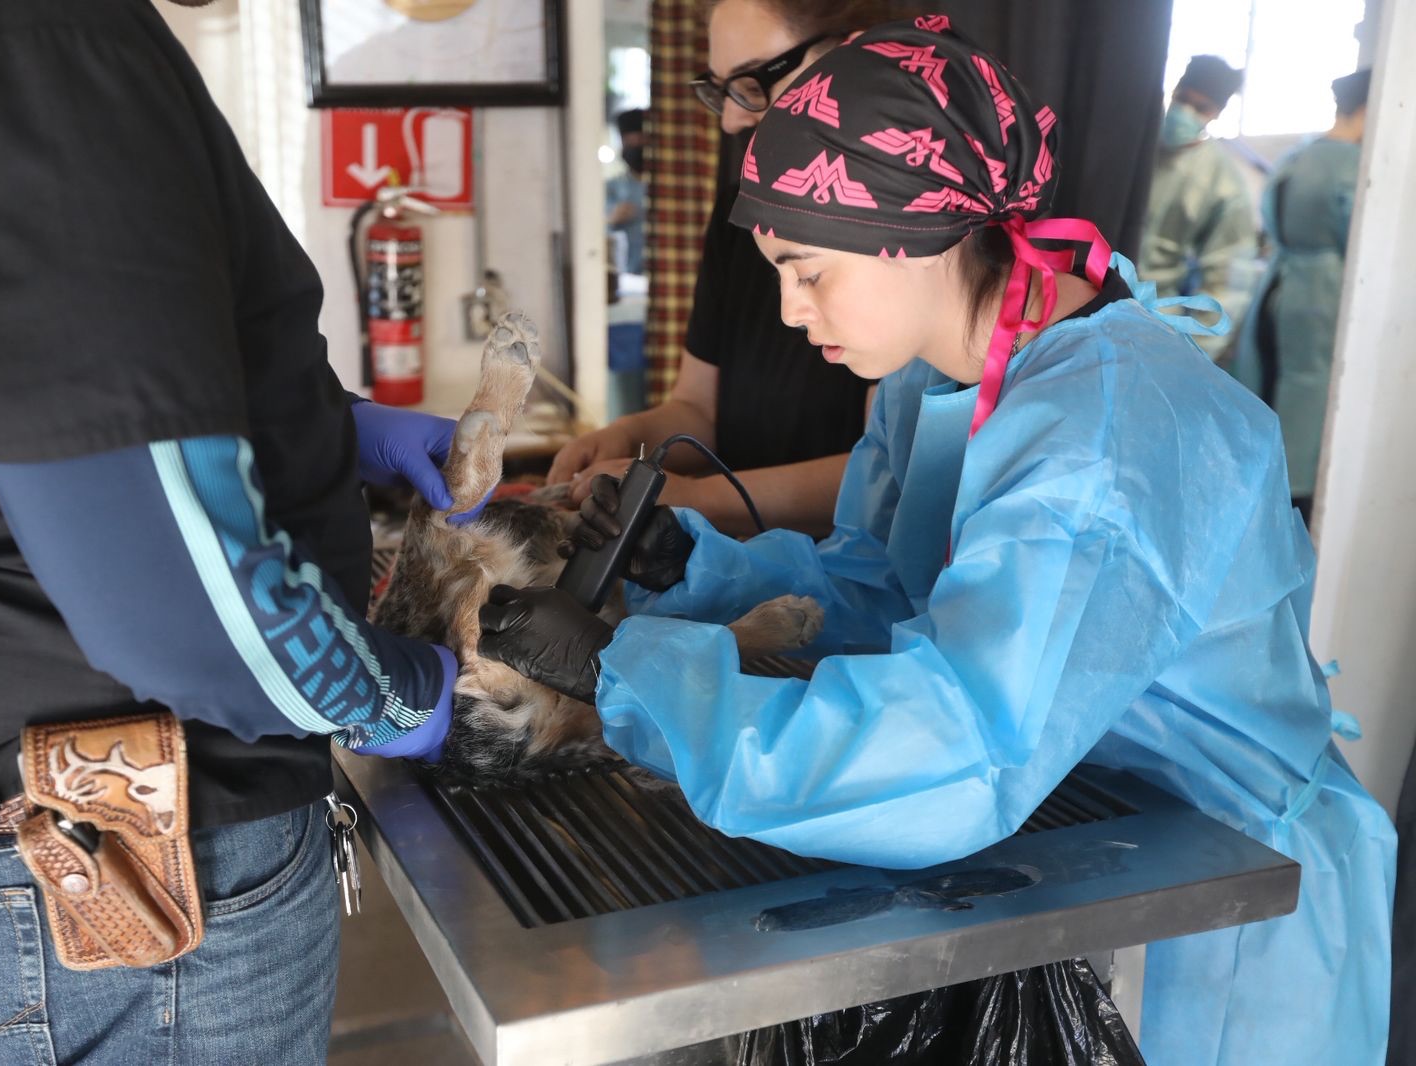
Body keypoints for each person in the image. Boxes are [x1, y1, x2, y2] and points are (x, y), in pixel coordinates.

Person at [478, 18, 1393, 1066]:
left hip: (1226, 908)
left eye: (809, 271)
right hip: (1096, 835)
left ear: (918, 232)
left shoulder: (1103, 439)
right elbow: (886, 587)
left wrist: (629, 678)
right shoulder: (937, 379)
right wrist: (697, 566)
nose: (787, 308)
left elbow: (962, 746)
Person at [0, 1, 482, 1061]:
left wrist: (326, 429)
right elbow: (177, 606)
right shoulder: (16, 43)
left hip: (22, 815)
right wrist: (394, 695)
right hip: (117, 843)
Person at [547, 0, 903, 537]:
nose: (734, 118)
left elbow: (890, 475)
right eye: (720, 89)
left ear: (850, 58)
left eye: (754, 83)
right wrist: (629, 439)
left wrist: (698, 497)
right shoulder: (738, 217)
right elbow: (698, 409)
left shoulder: (912, 234)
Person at [1229, 67, 1373, 527]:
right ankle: (1295, 512)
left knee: (1266, 387)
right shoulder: (1355, 167)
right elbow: (1362, 240)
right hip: (1322, 298)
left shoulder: (1297, 156)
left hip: (1276, 288)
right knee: (1307, 408)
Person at [1140, 54, 1257, 360]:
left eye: (1201, 107)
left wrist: (1193, 352)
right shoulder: (1136, 146)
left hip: (1156, 321)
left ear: (1216, 114)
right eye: (1182, 99)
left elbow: (1230, 278)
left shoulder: (1222, 180)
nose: (1185, 112)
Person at [607, 108, 648, 276]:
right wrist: (612, 220)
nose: (636, 146)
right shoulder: (611, 187)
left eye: (641, 140)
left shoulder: (667, 187)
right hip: (627, 277)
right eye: (630, 142)